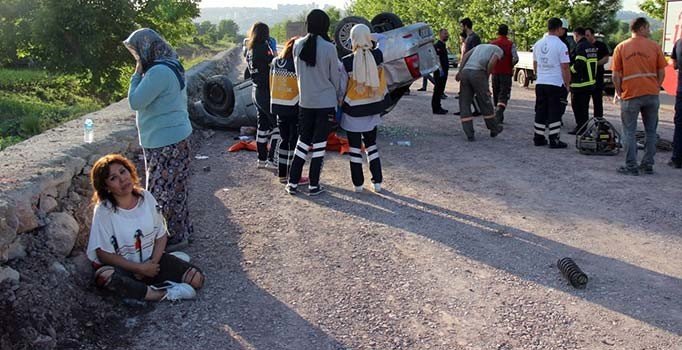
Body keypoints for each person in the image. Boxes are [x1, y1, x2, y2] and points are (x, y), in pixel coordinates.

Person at [87, 154, 204, 302]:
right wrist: (138, 268)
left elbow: (161, 234)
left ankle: (157, 276)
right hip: (126, 268)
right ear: (106, 187)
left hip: (152, 261)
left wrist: (152, 263)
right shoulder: (104, 211)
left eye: (123, 172)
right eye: (113, 178)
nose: (122, 179)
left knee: (197, 279)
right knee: (105, 277)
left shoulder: (146, 197)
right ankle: (162, 294)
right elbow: (103, 254)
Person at [123, 28, 193, 250]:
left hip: (164, 140)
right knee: (177, 190)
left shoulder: (158, 72)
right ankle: (180, 234)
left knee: (159, 194)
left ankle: (162, 241)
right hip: (175, 136)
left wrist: (136, 74)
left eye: (136, 52)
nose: (137, 57)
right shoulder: (171, 65)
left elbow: (135, 101)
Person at [287, 9, 343, 195]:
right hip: (325, 102)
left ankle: (292, 183)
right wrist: (339, 95)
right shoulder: (329, 47)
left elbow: (297, 73)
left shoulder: (297, 45)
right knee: (319, 144)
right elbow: (335, 78)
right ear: (325, 25)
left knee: (302, 142)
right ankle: (313, 185)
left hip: (305, 101)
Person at [612, 17, 667, 175]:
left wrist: (619, 91)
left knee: (629, 131)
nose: (649, 31)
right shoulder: (654, 47)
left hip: (630, 94)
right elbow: (662, 72)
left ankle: (631, 166)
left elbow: (616, 75)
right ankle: (648, 164)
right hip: (651, 93)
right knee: (651, 131)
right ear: (642, 28)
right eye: (648, 28)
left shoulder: (621, 47)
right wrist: (656, 86)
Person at [339, 24, 388, 193]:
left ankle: (358, 185)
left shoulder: (346, 61)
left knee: (354, 148)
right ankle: (377, 183)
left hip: (353, 110)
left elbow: (341, 88)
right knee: (371, 146)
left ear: (352, 39)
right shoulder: (378, 55)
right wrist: (370, 37)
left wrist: (339, 104)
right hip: (373, 108)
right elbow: (384, 39)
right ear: (367, 37)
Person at [270, 37, 310, 185]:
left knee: (284, 140)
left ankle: (282, 174)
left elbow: (271, 83)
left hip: (278, 106)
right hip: (293, 106)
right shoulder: (297, 64)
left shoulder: (275, 62)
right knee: (294, 142)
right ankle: (295, 176)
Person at [532, 18, 571, 148]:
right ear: (559, 28)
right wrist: (567, 84)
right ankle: (554, 139)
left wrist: (540, 76)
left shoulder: (538, 43)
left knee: (540, 110)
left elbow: (535, 64)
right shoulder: (561, 45)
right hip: (555, 82)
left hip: (541, 82)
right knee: (555, 111)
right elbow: (565, 67)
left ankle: (538, 137)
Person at [246, 22, 279, 169]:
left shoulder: (250, 50)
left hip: (255, 91)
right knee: (278, 125)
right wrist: (275, 53)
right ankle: (272, 159)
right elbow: (276, 64)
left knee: (262, 126)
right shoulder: (264, 48)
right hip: (266, 91)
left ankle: (261, 159)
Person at [455, 44, 504, 141]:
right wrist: (486, 76)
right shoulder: (499, 50)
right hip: (478, 73)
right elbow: (491, 63)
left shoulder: (478, 46)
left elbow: (465, 56)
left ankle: (469, 133)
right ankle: (494, 128)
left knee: (464, 102)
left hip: (465, 72)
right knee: (485, 101)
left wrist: (460, 72)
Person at [568, 27, 598, 135]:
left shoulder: (580, 46)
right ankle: (583, 127)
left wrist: (569, 71)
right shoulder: (591, 46)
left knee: (577, 107)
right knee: (584, 108)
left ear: (576, 35)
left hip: (580, 83)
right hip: (590, 82)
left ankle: (581, 128)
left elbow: (579, 64)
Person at [490, 24, 519, 123]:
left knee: (496, 93)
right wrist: (510, 65)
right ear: (507, 32)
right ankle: (499, 114)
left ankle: (497, 113)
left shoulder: (493, 44)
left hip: (495, 72)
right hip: (506, 73)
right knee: (504, 94)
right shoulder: (510, 44)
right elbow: (515, 58)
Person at [585, 28, 611, 120]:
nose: (586, 37)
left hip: (597, 77)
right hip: (586, 78)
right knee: (584, 103)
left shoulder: (600, 45)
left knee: (597, 102)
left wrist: (595, 64)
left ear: (592, 35)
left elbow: (606, 58)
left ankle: (598, 122)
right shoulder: (584, 46)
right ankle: (583, 123)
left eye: (588, 35)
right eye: (585, 35)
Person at [432, 29, 450, 115]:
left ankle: (438, 106)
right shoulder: (437, 45)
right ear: (440, 35)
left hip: (444, 71)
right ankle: (436, 108)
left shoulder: (443, 45)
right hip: (439, 71)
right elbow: (437, 59)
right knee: (437, 89)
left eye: (447, 33)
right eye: (445, 34)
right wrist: (441, 70)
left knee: (440, 90)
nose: (447, 35)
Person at [671, 38, 682, 168]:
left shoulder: (679, 43)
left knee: (679, 124)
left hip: (681, 90)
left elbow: (673, 64)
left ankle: (677, 158)